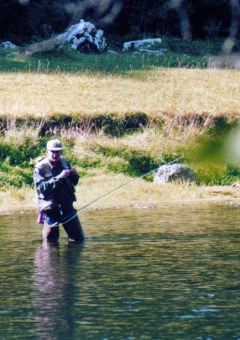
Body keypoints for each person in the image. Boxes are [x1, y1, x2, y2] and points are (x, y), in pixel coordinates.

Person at [33, 139, 84, 243]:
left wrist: (74, 174)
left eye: (57, 151)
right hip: (50, 207)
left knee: (78, 238)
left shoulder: (64, 162)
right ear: (47, 152)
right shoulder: (40, 167)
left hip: (66, 204)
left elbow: (75, 182)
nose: (55, 154)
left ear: (61, 152)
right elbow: (41, 188)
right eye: (52, 151)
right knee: (50, 241)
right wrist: (59, 178)